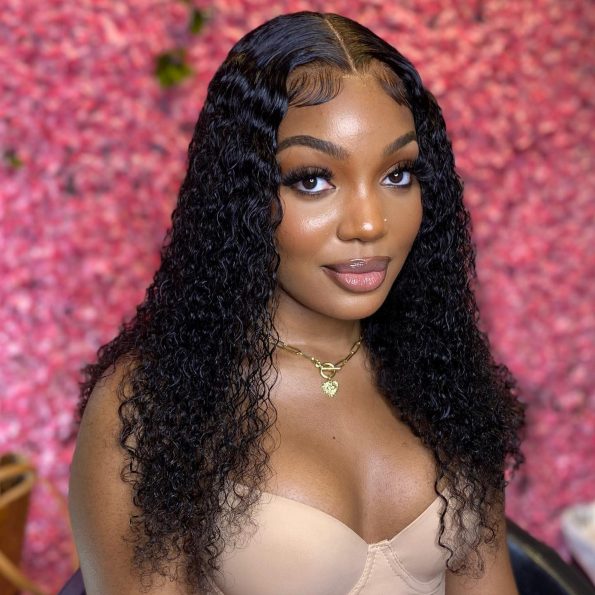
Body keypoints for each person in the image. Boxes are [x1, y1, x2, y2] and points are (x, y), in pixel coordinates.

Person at [68, 10, 525, 595]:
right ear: (243, 196)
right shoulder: (154, 406)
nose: (368, 224)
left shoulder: (441, 371)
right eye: (312, 179)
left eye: (397, 174)